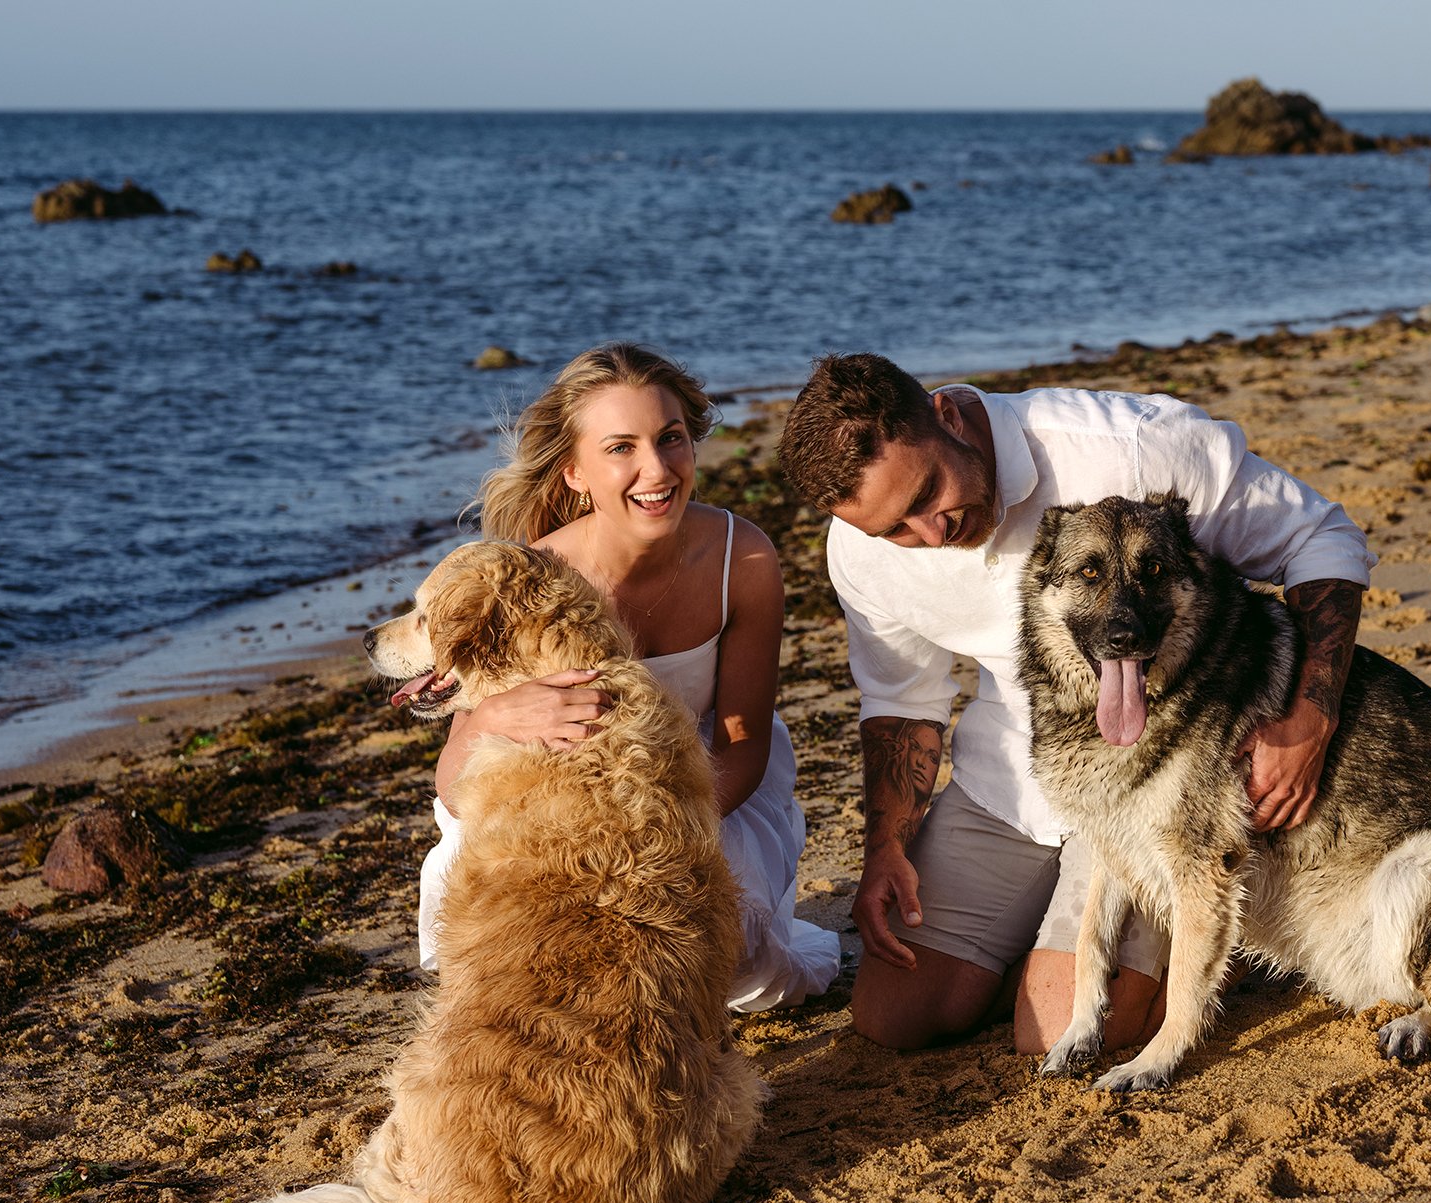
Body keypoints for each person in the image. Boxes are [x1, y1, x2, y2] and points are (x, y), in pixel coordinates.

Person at [774, 353, 1374, 1052]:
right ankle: (1054, 955)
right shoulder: (859, 549)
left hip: (1161, 776)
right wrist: (887, 846)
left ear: (945, 414)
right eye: (895, 528)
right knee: (894, 1013)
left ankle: (1170, 953)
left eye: (927, 492)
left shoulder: (1132, 446)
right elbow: (903, 700)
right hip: (1014, 777)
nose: (929, 533)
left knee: (1064, 1025)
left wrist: (1310, 719)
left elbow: (1320, 536)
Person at [418, 343, 840, 1012]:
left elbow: (745, 743)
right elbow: (452, 785)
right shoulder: (529, 582)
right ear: (575, 473)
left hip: (700, 791)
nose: (657, 468)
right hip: (564, 814)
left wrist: (654, 832)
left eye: (670, 438)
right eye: (621, 447)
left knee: (744, 977)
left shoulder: (745, 557)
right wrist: (496, 717)